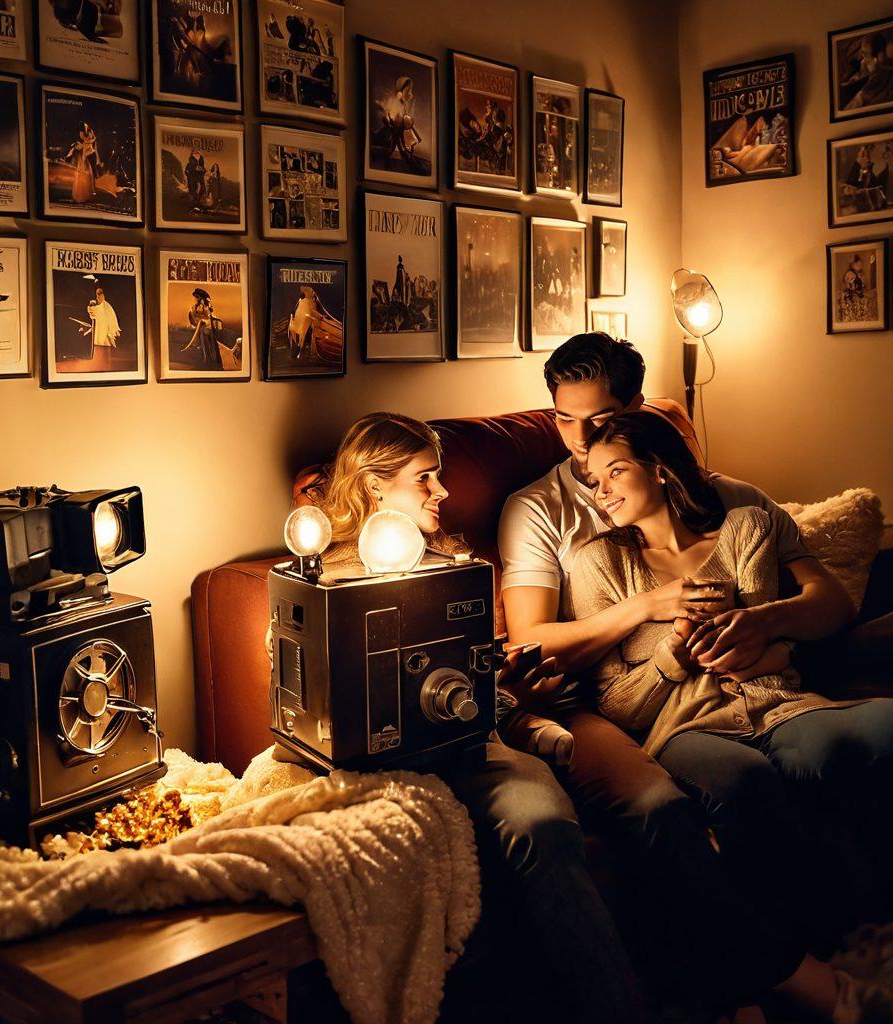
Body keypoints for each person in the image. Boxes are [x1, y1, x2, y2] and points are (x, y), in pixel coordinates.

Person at [497, 332, 862, 1011]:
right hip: (600, 701)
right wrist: (648, 608)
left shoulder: (728, 499)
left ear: (640, 412)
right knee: (667, 804)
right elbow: (531, 646)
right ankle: (791, 978)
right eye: (564, 418)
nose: (580, 442)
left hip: (748, 687)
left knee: (819, 753)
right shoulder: (538, 510)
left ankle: (816, 950)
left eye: (599, 419)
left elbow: (825, 600)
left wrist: (766, 622)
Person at [300, 411, 646, 1023]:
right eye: (424, 479)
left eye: (441, 477)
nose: (443, 492)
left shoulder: (455, 563)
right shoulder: (323, 579)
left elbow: (476, 683)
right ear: (375, 486)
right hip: (381, 765)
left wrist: (512, 694)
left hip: (475, 743)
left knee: (540, 823)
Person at [570, 409, 893, 1024]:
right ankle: (795, 969)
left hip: (779, 704)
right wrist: (669, 656)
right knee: (743, 782)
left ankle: (854, 934)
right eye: (593, 479)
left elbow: (768, 635)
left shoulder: (744, 526)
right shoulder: (596, 565)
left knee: (882, 730)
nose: (601, 490)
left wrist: (759, 639)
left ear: (660, 471)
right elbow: (613, 703)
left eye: (615, 471)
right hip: (684, 728)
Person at [87, 285, 120, 371]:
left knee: (104, 349)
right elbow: (93, 315)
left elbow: (96, 312)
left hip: (105, 331)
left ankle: (105, 367)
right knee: (99, 349)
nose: (98, 297)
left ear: (104, 296)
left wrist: (91, 308)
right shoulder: (101, 306)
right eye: (97, 295)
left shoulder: (106, 306)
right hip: (100, 331)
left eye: (100, 295)